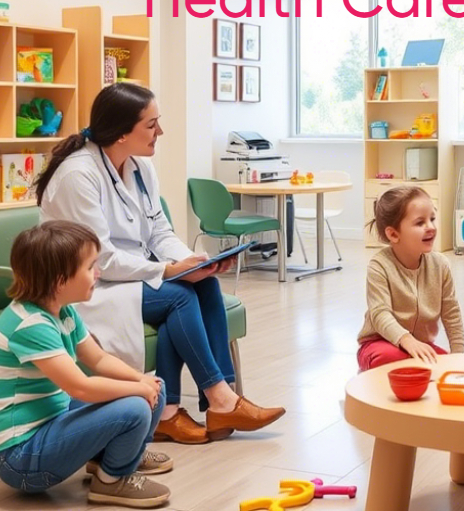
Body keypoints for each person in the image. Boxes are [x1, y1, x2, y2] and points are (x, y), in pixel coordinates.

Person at [37, 83, 284, 445]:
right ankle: (217, 400)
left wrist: (191, 261)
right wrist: (166, 271)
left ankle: (182, 409)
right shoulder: (79, 175)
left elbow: (158, 232)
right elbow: (100, 257)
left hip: (127, 277)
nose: (161, 132)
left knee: (201, 284)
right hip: (85, 285)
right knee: (179, 297)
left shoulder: (139, 168)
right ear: (122, 132)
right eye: (152, 125)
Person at [0, 221, 172, 508]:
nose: (98, 273)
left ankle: (115, 457)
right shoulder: (30, 324)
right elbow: (80, 387)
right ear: (60, 280)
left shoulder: (62, 310)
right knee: (134, 406)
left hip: (50, 421)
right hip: (20, 459)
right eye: (89, 267)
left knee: (154, 386)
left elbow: (98, 359)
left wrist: (140, 381)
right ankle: (112, 481)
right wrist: (136, 389)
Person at [357, 186, 464, 370]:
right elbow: (380, 313)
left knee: (447, 367)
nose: (430, 227)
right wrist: (406, 340)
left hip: (419, 346)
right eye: (419, 223)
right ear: (393, 234)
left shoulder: (441, 265)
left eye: (432, 219)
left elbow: (451, 313)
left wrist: (459, 356)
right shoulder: (379, 266)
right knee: (389, 357)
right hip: (379, 344)